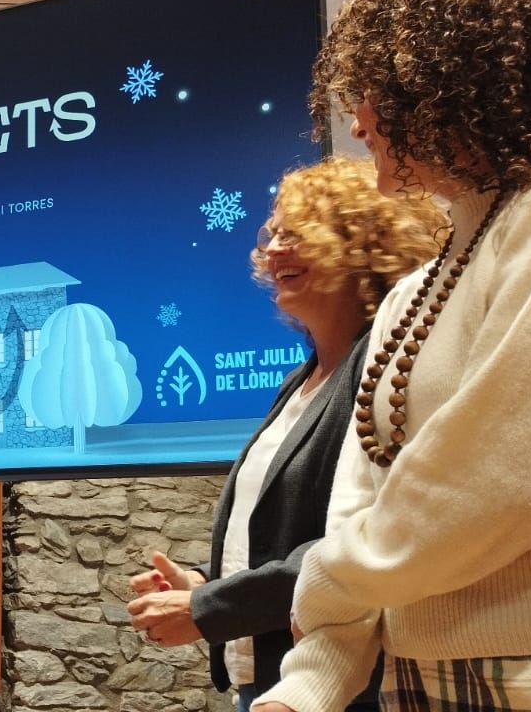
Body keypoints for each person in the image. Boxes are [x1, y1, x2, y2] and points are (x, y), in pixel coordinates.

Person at [248, 0, 531, 710]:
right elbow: (368, 497)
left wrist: (328, 579)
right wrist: (309, 684)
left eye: (371, 92)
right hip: (423, 672)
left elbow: (515, 469)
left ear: (443, 81)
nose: (356, 124)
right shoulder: (414, 292)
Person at [126, 156, 446, 711]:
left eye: (297, 235)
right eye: (272, 236)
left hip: (356, 685)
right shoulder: (301, 380)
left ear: (365, 243)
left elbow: (372, 531)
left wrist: (212, 608)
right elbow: (292, 530)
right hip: (273, 677)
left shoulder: (391, 366)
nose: (273, 251)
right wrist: (205, 583)